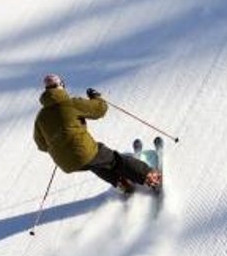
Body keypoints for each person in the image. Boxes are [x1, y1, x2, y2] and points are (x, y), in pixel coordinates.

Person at [33, 74, 161, 194]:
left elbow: (41, 145)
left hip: (65, 163)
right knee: (115, 160)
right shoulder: (71, 104)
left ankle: (122, 183)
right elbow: (100, 109)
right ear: (61, 86)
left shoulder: (40, 117)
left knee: (96, 164)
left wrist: (58, 142)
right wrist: (96, 97)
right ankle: (149, 176)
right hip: (83, 151)